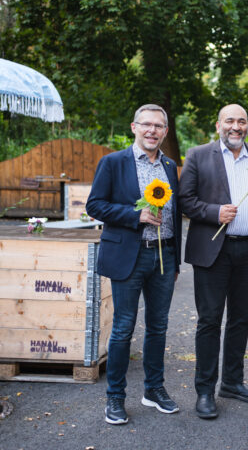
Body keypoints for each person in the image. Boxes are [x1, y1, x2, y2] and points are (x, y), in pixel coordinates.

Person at [179, 103, 248, 420]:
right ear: (218, 124)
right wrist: (214, 212)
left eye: (242, 121)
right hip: (214, 249)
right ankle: (205, 391)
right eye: (230, 121)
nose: (236, 126)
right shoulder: (198, 155)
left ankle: (233, 382)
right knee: (209, 321)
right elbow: (184, 199)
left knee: (241, 318)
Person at [86, 104, 182, 425]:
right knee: (123, 329)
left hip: (164, 256)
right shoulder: (113, 163)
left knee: (159, 326)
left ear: (165, 132)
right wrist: (134, 215)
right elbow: (95, 205)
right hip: (130, 255)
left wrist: (176, 258)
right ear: (134, 127)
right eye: (146, 125)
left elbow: (177, 215)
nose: (152, 131)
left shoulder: (169, 167)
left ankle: (154, 390)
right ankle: (115, 397)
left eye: (158, 126)